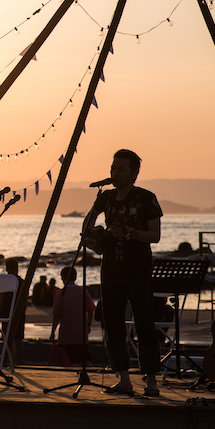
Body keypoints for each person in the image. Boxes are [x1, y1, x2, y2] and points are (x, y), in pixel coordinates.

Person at [82, 149, 162, 397]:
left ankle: (151, 382)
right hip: (112, 269)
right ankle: (124, 379)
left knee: (144, 323)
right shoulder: (105, 198)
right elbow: (88, 225)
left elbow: (155, 235)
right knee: (113, 323)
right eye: (113, 168)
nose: (114, 173)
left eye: (120, 169)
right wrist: (94, 237)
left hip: (138, 269)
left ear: (134, 173)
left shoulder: (146, 198)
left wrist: (129, 232)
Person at [49, 266, 96, 365]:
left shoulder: (60, 293)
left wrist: (53, 331)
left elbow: (56, 315)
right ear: (75, 277)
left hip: (66, 334)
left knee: (66, 361)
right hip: (80, 333)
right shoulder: (83, 291)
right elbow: (91, 310)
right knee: (85, 361)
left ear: (62, 278)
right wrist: (88, 324)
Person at [0, 257, 27, 364]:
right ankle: (20, 361)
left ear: (6, 269)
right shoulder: (22, 281)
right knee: (18, 339)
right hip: (19, 313)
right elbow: (25, 299)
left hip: (6, 313)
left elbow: (0, 298)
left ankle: (11, 362)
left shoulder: (5, 281)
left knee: (8, 340)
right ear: (17, 268)